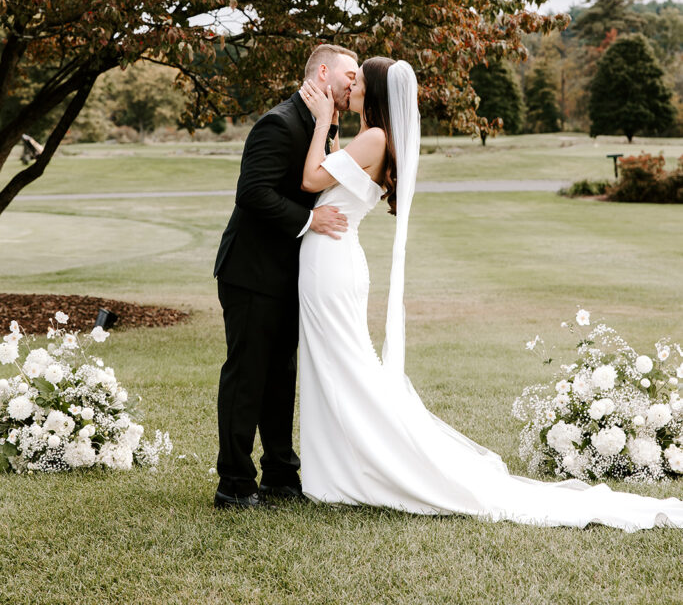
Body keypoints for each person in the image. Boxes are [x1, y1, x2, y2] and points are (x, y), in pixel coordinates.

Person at [296, 57, 683, 530]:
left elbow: (312, 179)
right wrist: (331, 125)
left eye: (358, 81)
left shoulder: (375, 138)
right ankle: (338, 464)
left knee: (346, 367)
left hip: (332, 264)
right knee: (340, 365)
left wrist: (320, 121)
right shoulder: (374, 139)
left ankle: (353, 467)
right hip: (337, 262)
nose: (350, 85)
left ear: (373, 93)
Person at [212, 44, 358, 508]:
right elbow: (251, 193)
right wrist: (310, 221)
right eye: (350, 74)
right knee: (247, 377)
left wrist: (329, 126)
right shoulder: (279, 122)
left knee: (280, 377)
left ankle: (280, 474)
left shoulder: (321, 124)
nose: (354, 83)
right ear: (323, 72)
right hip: (250, 272)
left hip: (289, 276)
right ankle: (234, 483)